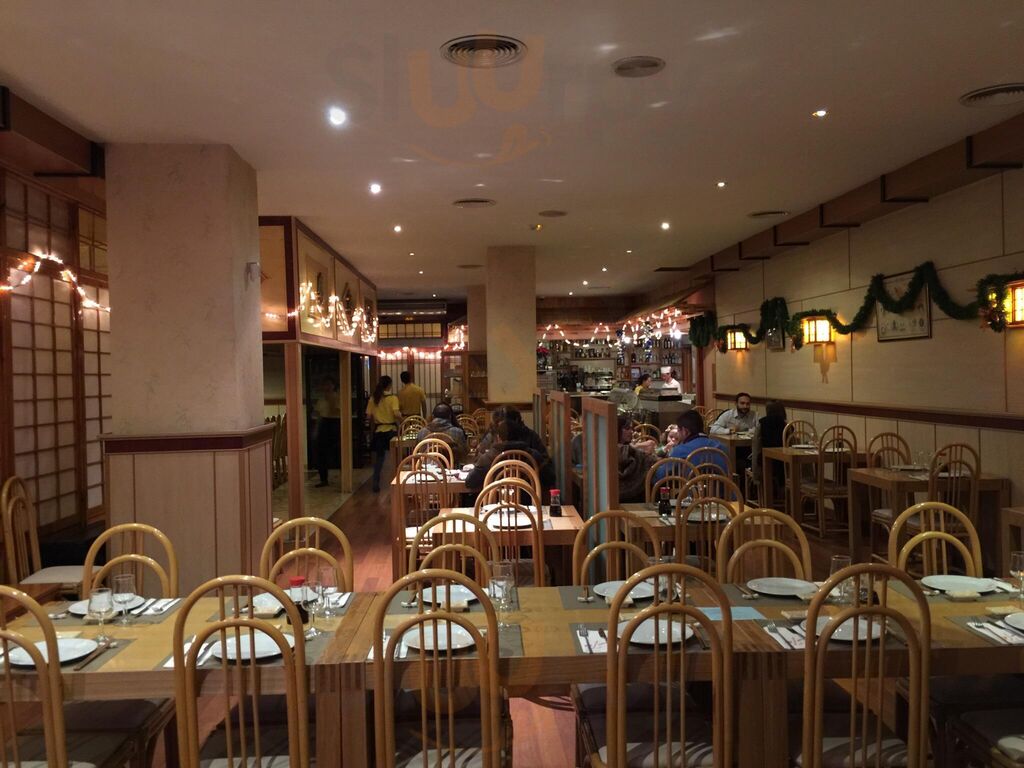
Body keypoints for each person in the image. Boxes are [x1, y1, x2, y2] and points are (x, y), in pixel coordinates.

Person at [466, 406, 553, 491]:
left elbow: (470, 482)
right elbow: (549, 477)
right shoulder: (533, 453)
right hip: (529, 497)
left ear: (498, 437)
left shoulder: (489, 456)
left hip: (496, 498)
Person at [655, 410, 728, 479]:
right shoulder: (722, 447)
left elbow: (660, 476)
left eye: (679, 430)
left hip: (691, 488)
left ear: (685, 431)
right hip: (724, 487)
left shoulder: (680, 450)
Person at [365, 375, 402, 493]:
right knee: (396, 458)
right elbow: (396, 414)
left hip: (379, 431)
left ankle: (375, 483)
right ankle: (398, 482)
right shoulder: (393, 398)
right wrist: (403, 420)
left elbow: (368, 416)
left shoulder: (373, 398)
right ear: (389, 385)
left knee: (379, 459)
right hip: (391, 430)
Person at [617, 415, 657, 503]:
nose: (631, 432)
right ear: (617, 429)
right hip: (620, 488)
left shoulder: (629, 448)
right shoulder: (614, 449)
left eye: (632, 429)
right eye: (627, 429)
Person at [751, 400, 787, 495]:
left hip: (765, 461)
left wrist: (755, 473)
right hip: (784, 463)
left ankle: (761, 496)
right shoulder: (787, 426)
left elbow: (756, 447)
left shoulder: (762, 424)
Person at [313, 376, 341, 487]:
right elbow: (318, 415)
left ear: (334, 386)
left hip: (335, 423)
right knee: (321, 453)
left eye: (329, 384)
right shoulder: (321, 399)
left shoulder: (338, 397)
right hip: (324, 424)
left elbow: (337, 411)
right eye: (325, 385)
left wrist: (331, 400)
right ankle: (323, 479)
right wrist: (316, 429)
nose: (327, 387)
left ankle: (343, 478)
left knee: (338, 453)